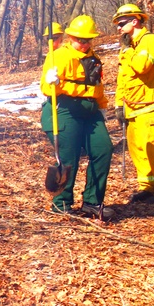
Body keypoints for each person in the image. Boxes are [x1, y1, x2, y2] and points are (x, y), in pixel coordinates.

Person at [41, 14, 114, 219]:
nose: (84, 43)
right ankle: (61, 203)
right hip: (64, 111)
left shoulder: (95, 59)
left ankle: (93, 201)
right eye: (80, 39)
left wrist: (103, 106)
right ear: (71, 37)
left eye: (88, 39)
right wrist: (52, 81)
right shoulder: (58, 56)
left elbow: (98, 88)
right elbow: (46, 88)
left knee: (104, 149)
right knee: (68, 156)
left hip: (90, 112)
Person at [112, 3, 154, 203]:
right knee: (139, 152)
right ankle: (148, 187)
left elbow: (141, 67)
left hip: (151, 108)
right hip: (132, 109)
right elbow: (123, 78)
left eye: (122, 23)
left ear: (135, 21)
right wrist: (118, 105)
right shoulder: (130, 47)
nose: (118, 28)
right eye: (117, 24)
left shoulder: (151, 41)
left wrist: (128, 50)